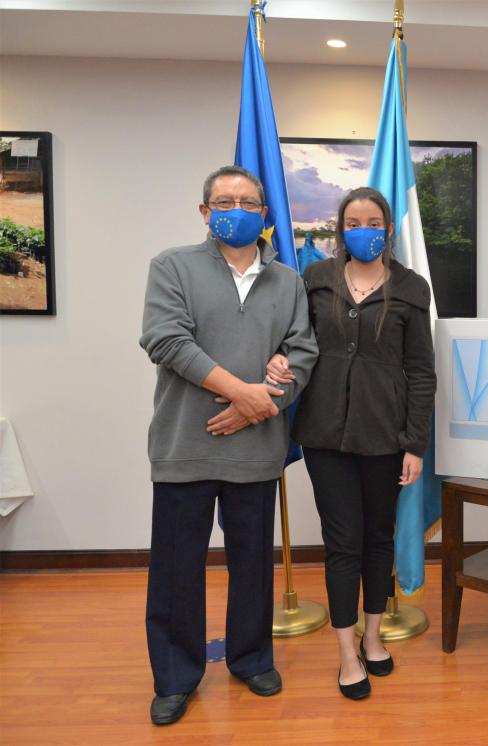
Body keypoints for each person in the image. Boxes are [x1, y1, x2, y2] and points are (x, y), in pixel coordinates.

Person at [139, 165, 318, 726]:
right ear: (204, 211)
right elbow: (165, 338)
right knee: (176, 569)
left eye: (247, 202)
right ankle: (174, 677)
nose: (235, 210)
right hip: (183, 446)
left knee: (252, 566)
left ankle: (249, 658)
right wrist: (245, 394)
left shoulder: (287, 280)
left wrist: (266, 399)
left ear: (264, 215)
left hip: (256, 451)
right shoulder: (172, 266)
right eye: (224, 201)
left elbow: (303, 351)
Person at [276, 186, 435, 701]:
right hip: (325, 435)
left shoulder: (412, 288)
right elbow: (294, 343)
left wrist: (415, 444)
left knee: (378, 539)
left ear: (387, 229)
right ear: (340, 228)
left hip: (387, 436)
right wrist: (276, 359)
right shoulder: (315, 279)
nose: (363, 229)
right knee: (342, 543)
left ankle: (372, 638)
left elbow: (420, 372)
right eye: (352, 221)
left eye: (372, 221)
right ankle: (346, 654)